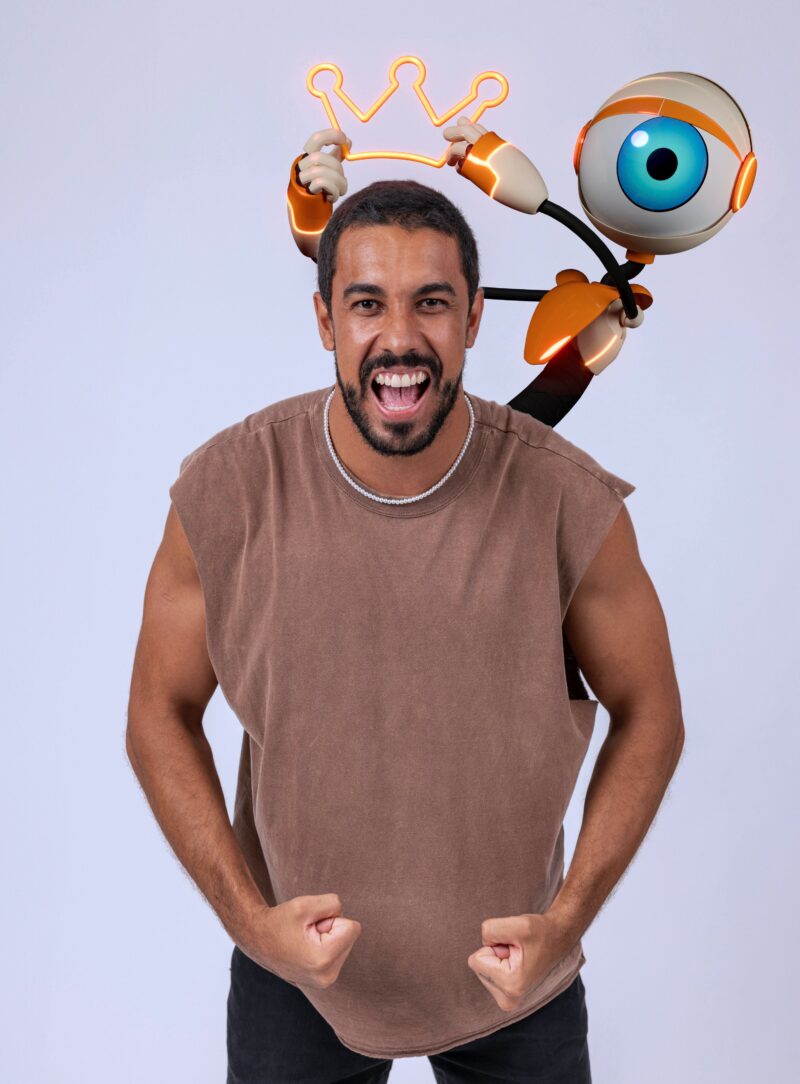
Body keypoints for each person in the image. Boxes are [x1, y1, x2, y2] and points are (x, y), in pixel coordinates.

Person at [126, 179, 685, 1083]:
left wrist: (567, 922)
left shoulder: (568, 500)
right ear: (324, 320)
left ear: (472, 318)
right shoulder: (228, 490)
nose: (399, 337)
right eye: (366, 304)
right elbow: (158, 711)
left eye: (430, 302)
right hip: (290, 979)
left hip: (519, 976)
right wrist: (250, 926)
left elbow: (652, 711)